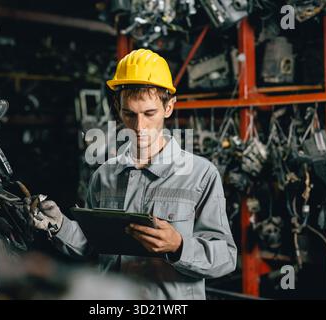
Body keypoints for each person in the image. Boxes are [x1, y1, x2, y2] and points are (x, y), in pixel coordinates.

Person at [28, 49, 237, 300]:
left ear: (169, 107)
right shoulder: (105, 175)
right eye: (129, 114)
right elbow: (92, 247)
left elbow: (225, 257)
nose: (139, 127)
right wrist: (59, 224)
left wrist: (179, 246)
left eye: (149, 114)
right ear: (118, 107)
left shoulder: (201, 175)